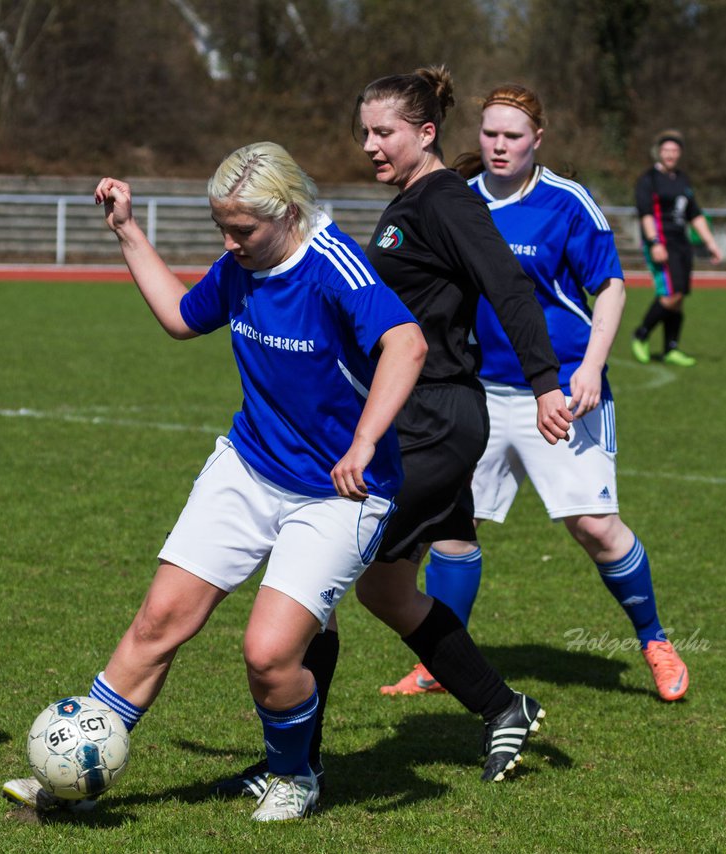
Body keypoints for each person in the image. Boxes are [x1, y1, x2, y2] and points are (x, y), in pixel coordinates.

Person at [0, 142, 426, 822]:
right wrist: (128, 231)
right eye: (220, 229)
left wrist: (365, 439)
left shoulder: (333, 266)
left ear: (287, 212)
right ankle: (78, 760)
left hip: (340, 492)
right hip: (251, 468)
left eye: (242, 231)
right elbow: (179, 317)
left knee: (267, 655)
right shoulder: (242, 265)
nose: (229, 244)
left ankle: (294, 776)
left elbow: (407, 344)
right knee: (158, 621)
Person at [214, 66, 573, 799]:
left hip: (436, 420)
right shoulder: (408, 202)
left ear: (426, 133)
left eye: (385, 132)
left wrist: (545, 384)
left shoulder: (443, 201)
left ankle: (295, 767)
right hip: (415, 417)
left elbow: (507, 284)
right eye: (366, 132)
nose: (371, 145)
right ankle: (504, 707)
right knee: (382, 589)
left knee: (316, 577)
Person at [380, 84, 689, 704]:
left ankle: (654, 639)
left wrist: (592, 367)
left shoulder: (566, 203)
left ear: (537, 140)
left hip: (564, 392)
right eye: (490, 134)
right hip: (477, 396)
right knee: (453, 533)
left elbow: (611, 287)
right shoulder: (455, 200)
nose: (498, 146)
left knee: (596, 528)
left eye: (513, 136)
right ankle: (444, 660)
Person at [630, 129, 722, 367]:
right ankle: (640, 334)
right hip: (662, 241)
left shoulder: (682, 180)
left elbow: (695, 215)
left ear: (679, 153)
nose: (670, 154)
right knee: (670, 295)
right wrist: (654, 243)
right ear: (659, 152)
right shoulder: (648, 179)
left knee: (679, 297)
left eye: (674, 150)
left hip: (682, 244)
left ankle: (671, 348)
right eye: (666, 150)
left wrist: (711, 244)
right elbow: (646, 214)